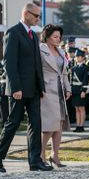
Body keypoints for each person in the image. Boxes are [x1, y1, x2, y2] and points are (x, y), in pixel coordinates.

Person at [0, 3, 52, 173]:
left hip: (33, 89)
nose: (38, 19)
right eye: (36, 16)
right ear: (26, 13)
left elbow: (36, 64)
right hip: (19, 90)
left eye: (39, 16)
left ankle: (35, 161)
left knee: (36, 124)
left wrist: (41, 88)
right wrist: (16, 88)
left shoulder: (33, 34)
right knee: (13, 123)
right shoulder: (13, 32)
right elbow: (10, 63)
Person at [39, 24, 72, 167]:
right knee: (49, 126)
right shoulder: (40, 49)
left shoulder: (61, 51)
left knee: (59, 124)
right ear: (47, 36)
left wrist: (68, 88)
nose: (58, 39)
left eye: (59, 37)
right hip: (46, 89)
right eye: (55, 37)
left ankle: (54, 155)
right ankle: (40, 155)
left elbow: (64, 72)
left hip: (60, 90)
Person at [71, 50, 89, 132]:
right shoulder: (73, 68)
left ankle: (81, 125)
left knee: (81, 108)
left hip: (81, 90)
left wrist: (84, 91)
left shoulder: (86, 68)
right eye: (76, 57)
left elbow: (86, 80)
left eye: (79, 57)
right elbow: (71, 80)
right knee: (76, 109)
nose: (77, 58)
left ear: (83, 58)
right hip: (75, 90)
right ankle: (77, 125)